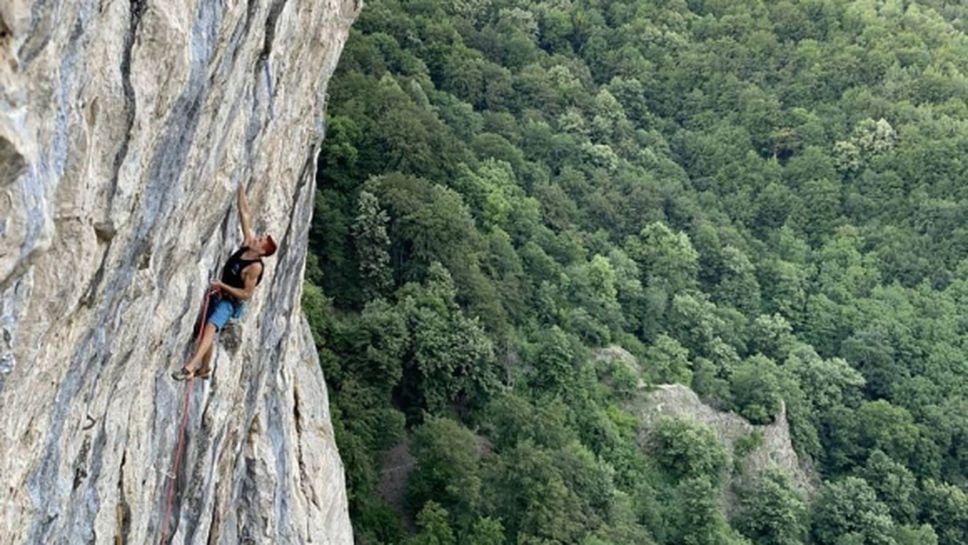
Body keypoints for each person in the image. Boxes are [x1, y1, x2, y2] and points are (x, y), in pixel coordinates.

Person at [172, 186, 277, 380]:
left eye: (261, 240)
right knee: (206, 331)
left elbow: (247, 294)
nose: (258, 237)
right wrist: (240, 186)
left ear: (262, 251)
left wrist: (223, 286)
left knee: (210, 328)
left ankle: (189, 368)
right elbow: (244, 213)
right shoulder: (247, 243)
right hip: (219, 292)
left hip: (230, 303)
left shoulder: (255, 267)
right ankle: (204, 370)